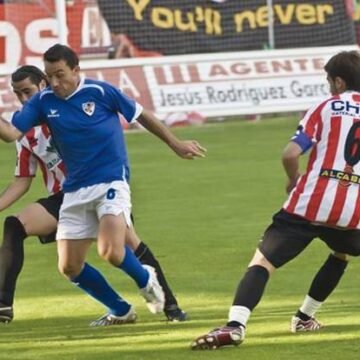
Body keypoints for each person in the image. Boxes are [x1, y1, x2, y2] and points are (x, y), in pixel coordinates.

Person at [0, 44, 206, 326]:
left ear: (76, 69)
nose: (56, 83)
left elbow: (141, 114)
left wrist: (176, 144)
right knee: (68, 266)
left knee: (115, 250)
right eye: (51, 77)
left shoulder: (100, 92)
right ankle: (121, 310)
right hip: (72, 191)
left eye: (60, 75)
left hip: (110, 181)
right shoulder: (41, 106)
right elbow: (11, 135)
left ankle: (160, 295)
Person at [191, 50, 360, 350]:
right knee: (341, 253)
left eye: (327, 80)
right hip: (350, 213)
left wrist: (293, 180)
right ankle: (305, 318)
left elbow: (290, 153)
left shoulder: (325, 107)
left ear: (338, 81)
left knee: (263, 261)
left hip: (307, 205)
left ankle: (235, 326)